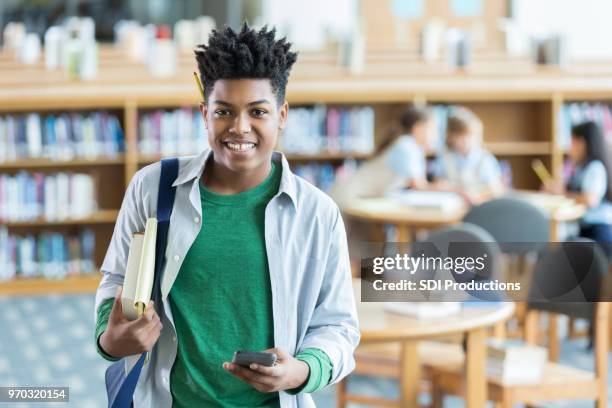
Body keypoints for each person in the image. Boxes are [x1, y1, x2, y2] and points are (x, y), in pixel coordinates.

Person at [94, 23, 359, 407]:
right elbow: (116, 281)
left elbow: (338, 325)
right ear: (205, 114)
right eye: (223, 111)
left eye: (258, 112)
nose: (239, 127)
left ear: (282, 115)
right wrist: (111, 337)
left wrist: (300, 371)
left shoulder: (317, 214)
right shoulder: (151, 188)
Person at [328, 105, 434, 209]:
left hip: (355, 199)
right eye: (432, 128)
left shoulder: (409, 145)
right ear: (418, 128)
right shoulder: (406, 145)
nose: (434, 134)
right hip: (348, 199)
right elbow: (419, 186)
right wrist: (448, 188)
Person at [544, 121, 612, 256]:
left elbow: (590, 199)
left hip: (599, 232)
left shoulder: (595, 167)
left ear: (582, 143)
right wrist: (559, 190)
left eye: (572, 142)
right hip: (587, 230)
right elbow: (575, 192)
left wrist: (563, 193)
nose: (570, 147)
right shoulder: (582, 167)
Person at [432, 106, 504, 204]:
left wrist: (475, 196)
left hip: (479, 205)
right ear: (451, 137)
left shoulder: (484, 159)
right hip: (453, 205)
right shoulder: (444, 156)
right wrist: (457, 191)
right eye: (463, 137)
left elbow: (495, 190)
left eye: (474, 136)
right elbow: (438, 184)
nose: (469, 141)